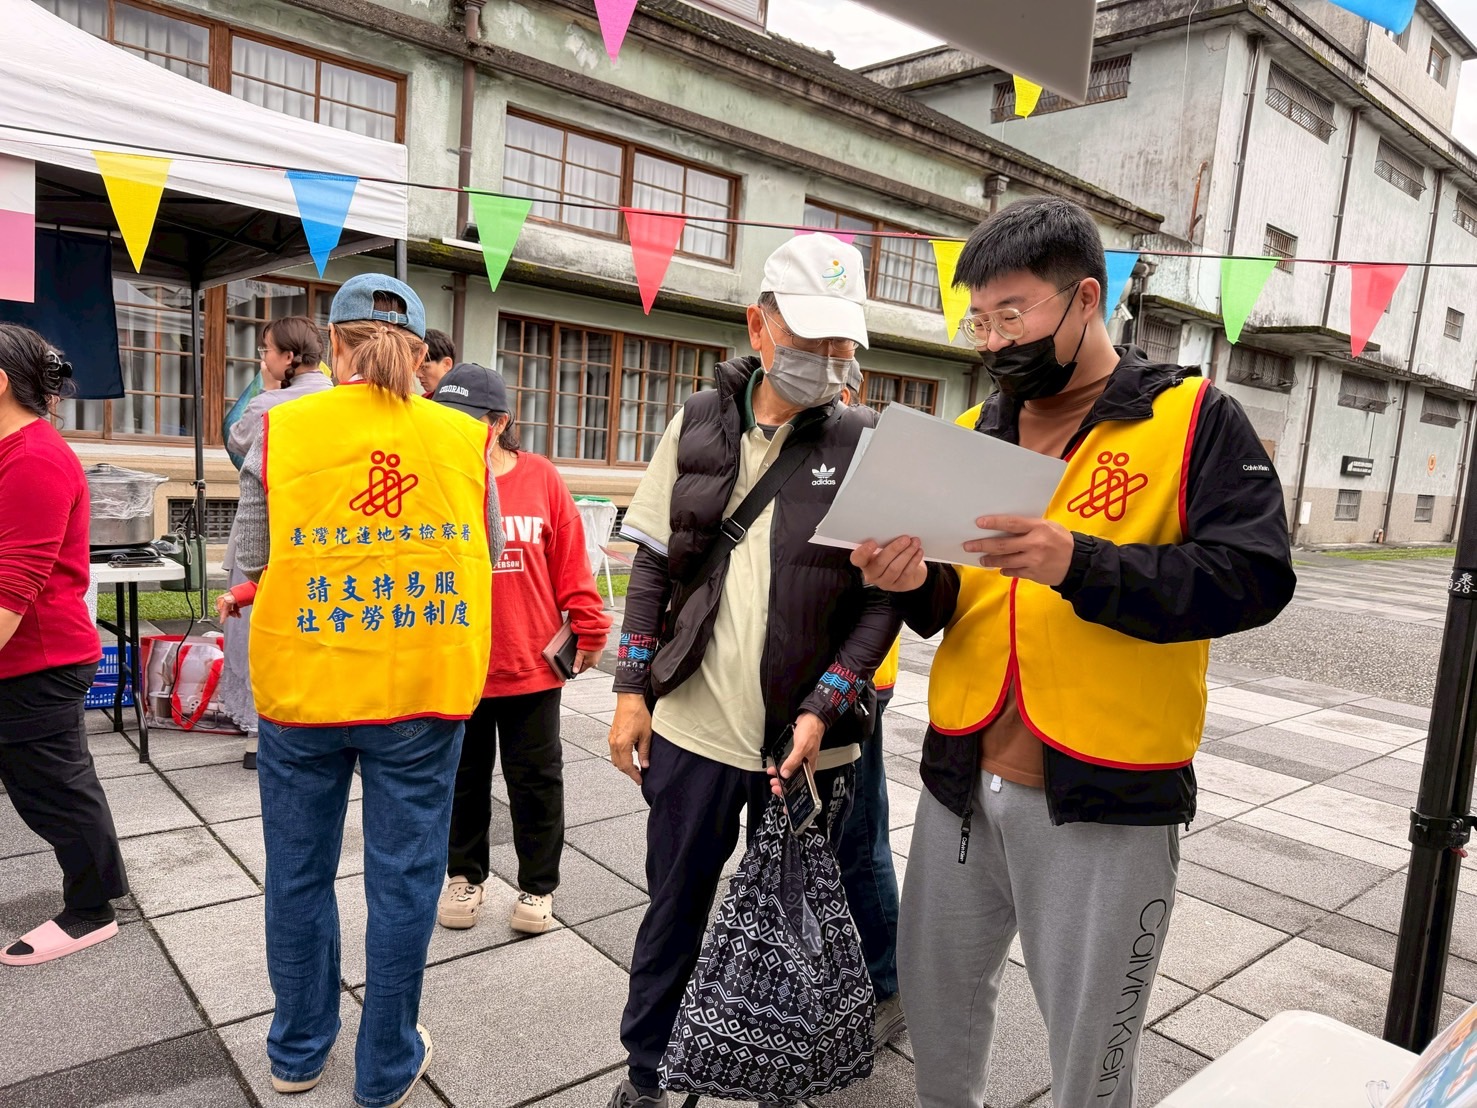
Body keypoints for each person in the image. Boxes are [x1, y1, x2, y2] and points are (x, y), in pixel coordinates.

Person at [851, 197, 1296, 1108]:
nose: (990, 338)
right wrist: (905, 582)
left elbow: (1255, 578)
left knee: (1090, 1051)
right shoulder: (981, 426)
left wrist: (1079, 563)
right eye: (978, 318)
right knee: (936, 1012)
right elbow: (961, 599)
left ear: (1085, 297)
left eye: (1011, 314)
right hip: (962, 777)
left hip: (1106, 792)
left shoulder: (1192, 417)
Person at [604, 233, 901, 1108]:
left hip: (813, 746)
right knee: (674, 912)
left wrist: (825, 706)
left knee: (804, 922)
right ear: (758, 325)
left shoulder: (867, 442)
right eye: (808, 340)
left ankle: (789, 1076)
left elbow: (882, 603)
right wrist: (628, 693)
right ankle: (648, 1076)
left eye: (840, 345)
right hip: (694, 725)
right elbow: (653, 564)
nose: (826, 362)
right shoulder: (696, 421)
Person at [233, 274, 504, 1108]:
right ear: (423, 358)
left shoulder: (278, 427)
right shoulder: (463, 439)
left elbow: (246, 563)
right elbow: (487, 555)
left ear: (333, 344)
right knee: (403, 877)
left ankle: (297, 1050)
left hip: (304, 686)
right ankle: (385, 1065)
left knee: (299, 872)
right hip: (421, 690)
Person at [429, 363, 611, 935]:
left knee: (536, 780)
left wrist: (590, 626)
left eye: (465, 421)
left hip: (531, 665)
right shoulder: (438, 478)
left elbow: (570, 565)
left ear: (499, 422)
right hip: (460, 662)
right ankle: (465, 875)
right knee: (463, 777)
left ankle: (537, 887)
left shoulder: (540, 477)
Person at [0, 324, 127, 967]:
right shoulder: (12, 452)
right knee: (44, 784)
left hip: (39, 659)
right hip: (21, 657)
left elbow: (11, 592)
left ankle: (92, 908)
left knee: (53, 788)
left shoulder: (36, 459)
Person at [221, 317, 334, 770]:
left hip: (271, 530)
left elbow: (237, 444)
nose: (262, 359)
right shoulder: (341, 399)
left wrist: (268, 387)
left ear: (289, 358)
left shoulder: (269, 404)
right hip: (329, 534)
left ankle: (258, 733)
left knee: (258, 631)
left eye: (267, 351)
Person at [835, 368, 905, 1045]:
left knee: (857, 836)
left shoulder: (871, 457)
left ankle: (889, 975)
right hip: (787, 682)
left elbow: (890, 592)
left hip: (856, 682)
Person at [416, 328, 455, 397]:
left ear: (447, 364)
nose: (418, 374)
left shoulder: (465, 402)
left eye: (424, 367)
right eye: (416, 368)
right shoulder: (425, 399)